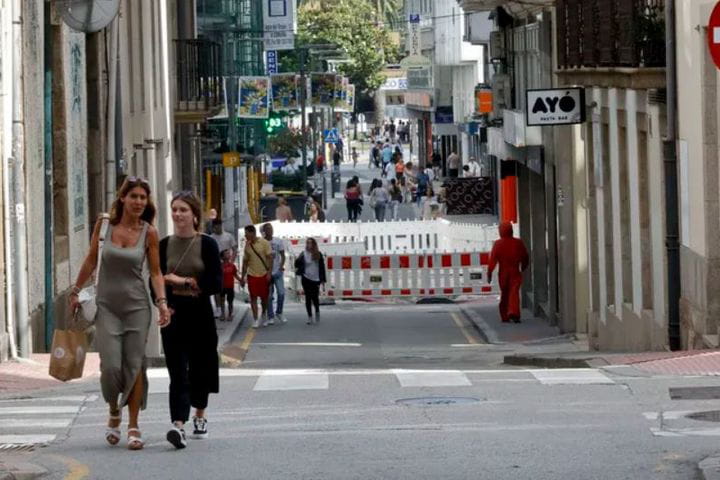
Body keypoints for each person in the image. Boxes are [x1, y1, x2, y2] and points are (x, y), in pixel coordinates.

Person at [69, 177, 170, 451]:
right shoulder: (104, 227)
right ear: (123, 198)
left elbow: (157, 272)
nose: (139, 202)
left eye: (143, 198)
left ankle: (134, 424)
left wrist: (161, 302)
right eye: (134, 196)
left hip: (137, 306)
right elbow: (91, 259)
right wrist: (76, 290)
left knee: (134, 364)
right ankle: (114, 409)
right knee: (111, 366)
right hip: (107, 307)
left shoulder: (149, 232)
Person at [158, 191, 222, 449]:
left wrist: (182, 281)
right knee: (177, 371)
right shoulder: (164, 245)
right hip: (174, 312)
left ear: (195, 215)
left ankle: (200, 415)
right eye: (174, 209)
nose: (177, 214)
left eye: (183, 210)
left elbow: (215, 283)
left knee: (200, 367)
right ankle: (178, 425)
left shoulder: (206, 244)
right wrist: (162, 303)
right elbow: (157, 279)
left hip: (200, 313)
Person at [487, 222, 530, 324]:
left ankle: (505, 315)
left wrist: (489, 273)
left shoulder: (498, 244)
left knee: (505, 293)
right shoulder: (518, 243)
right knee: (514, 292)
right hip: (515, 271)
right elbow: (525, 257)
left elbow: (492, 260)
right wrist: (523, 267)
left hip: (503, 272)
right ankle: (514, 312)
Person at [239, 225, 273, 329]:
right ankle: (255, 319)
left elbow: (270, 258)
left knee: (264, 298)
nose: (245, 235)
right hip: (252, 275)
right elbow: (245, 262)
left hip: (263, 274)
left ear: (252, 233)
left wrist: (269, 273)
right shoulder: (247, 245)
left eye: (246, 233)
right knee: (253, 297)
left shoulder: (264, 243)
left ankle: (264, 314)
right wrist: (242, 277)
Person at [294, 237, 327, 325]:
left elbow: (322, 267)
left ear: (314, 244)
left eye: (311, 243)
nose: (309, 245)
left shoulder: (318, 254)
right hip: (306, 277)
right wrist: (298, 259)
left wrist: (323, 279)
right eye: (307, 243)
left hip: (315, 279)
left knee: (315, 297)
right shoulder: (303, 254)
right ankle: (310, 317)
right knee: (308, 297)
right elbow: (296, 264)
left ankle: (317, 311)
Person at [262, 223, 287, 325]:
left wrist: (281, 266)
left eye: (271, 229)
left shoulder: (278, 241)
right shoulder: (262, 242)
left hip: (277, 271)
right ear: (264, 231)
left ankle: (279, 312)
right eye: (268, 229)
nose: (270, 231)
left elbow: (283, 255)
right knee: (268, 296)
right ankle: (270, 316)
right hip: (266, 272)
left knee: (281, 293)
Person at [220, 249, 241, 322]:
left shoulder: (232, 266)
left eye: (229, 253)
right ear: (222, 257)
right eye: (226, 254)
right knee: (222, 300)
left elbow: (235, 275)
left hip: (230, 286)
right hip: (222, 286)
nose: (228, 255)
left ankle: (230, 314)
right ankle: (222, 314)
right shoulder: (220, 266)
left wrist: (241, 280)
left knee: (230, 301)